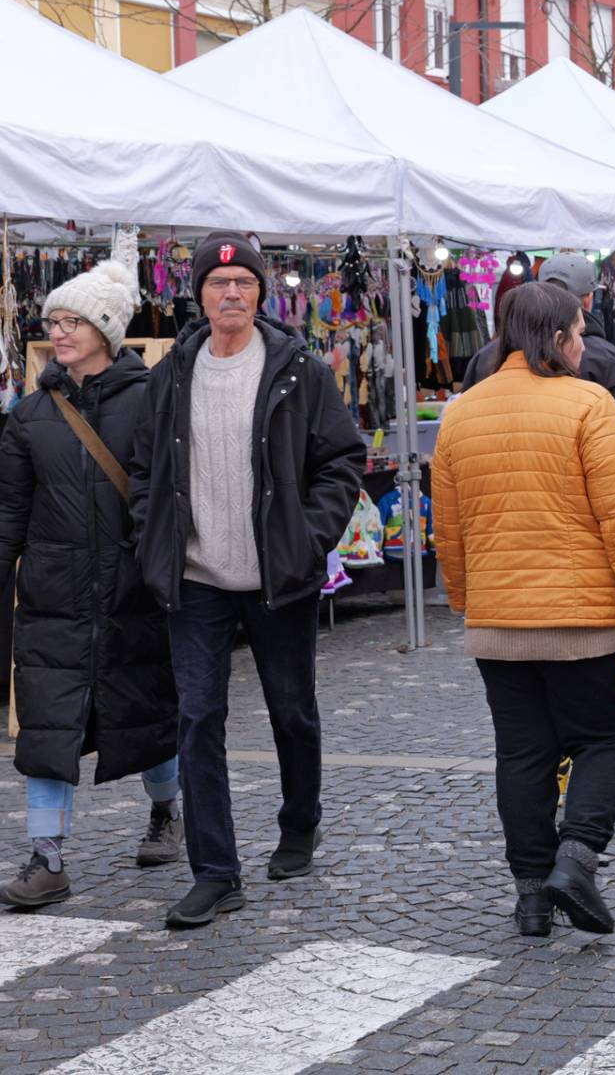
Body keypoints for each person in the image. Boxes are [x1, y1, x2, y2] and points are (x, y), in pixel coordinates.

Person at [129, 232, 365, 929]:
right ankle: (216, 871)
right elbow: (144, 469)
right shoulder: (171, 373)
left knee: (292, 708)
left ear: (261, 293)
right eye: (218, 284)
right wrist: (153, 534)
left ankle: (300, 821)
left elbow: (342, 460)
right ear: (198, 294)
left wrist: (307, 536)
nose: (231, 294)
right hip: (196, 576)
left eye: (244, 284)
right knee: (198, 718)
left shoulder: (298, 368)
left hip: (276, 576)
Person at [434, 282, 615, 937]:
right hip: (582, 622)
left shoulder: (462, 412)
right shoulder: (588, 403)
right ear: (557, 338)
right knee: (608, 736)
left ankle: (532, 897)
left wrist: (468, 602)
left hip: (498, 624)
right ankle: (576, 861)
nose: (585, 342)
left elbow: (446, 528)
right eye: (580, 331)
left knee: (523, 753)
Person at [0, 261, 181, 909]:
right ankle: (47, 859)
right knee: (47, 731)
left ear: (106, 328)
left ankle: (166, 812)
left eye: (72, 320)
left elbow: (167, 500)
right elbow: (8, 516)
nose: (59, 330)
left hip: (134, 598)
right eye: (54, 320)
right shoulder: (29, 417)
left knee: (150, 717)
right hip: (55, 603)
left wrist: (164, 579)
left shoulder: (151, 401)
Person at [464, 251, 615, 469]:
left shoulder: (486, 356)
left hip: (494, 486)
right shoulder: (608, 359)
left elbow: (464, 436)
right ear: (589, 298)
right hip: (577, 490)